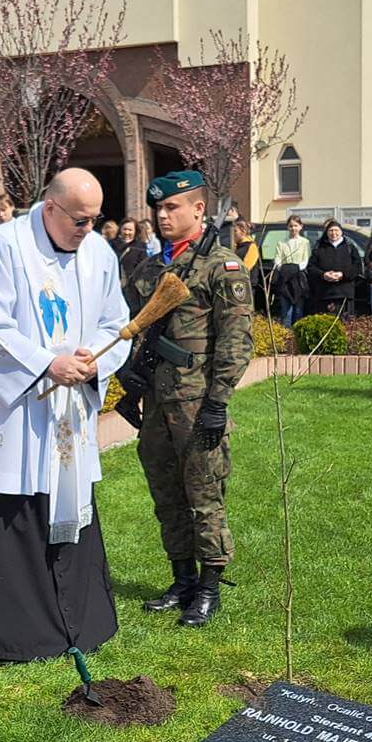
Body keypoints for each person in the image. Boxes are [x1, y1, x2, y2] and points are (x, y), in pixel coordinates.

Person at [0, 169, 130, 662]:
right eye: (79, 219)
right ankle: (2, 633)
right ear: (50, 208)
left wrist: (93, 361)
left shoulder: (98, 254)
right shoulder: (4, 247)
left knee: (63, 496)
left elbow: (116, 322)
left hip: (68, 411)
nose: (87, 229)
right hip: (12, 413)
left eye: (94, 220)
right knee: (9, 507)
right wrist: (47, 364)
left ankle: (75, 620)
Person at [121, 171, 250, 628]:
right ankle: (182, 580)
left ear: (198, 210)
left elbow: (236, 341)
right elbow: (128, 329)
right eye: (158, 208)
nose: (162, 215)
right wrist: (127, 380)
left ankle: (210, 588)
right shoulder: (150, 269)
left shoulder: (223, 266)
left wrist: (218, 403)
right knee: (166, 494)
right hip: (157, 402)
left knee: (204, 494)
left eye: (172, 207)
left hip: (197, 404)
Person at [305, 219, 361, 318]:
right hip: (324, 293)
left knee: (345, 324)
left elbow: (357, 267)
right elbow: (311, 267)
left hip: (344, 293)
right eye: (330, 230)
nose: (333, 233)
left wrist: (343, 275)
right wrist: (323, 275)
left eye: (336, 230)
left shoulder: (350, 248)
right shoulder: (319, 248)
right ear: (326, 232)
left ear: (341, 232)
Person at [272, 215, 311, 326]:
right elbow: (277, 260)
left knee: (298, 311)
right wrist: (284, 269)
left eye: (295, 226)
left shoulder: (305, 242)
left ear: (300, 227)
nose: (293, 228)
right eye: (290, 226)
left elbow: (306, 260)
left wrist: (295, 268)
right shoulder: (281, 242)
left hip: (299, 279)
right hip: (285, 279)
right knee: (286, 313)